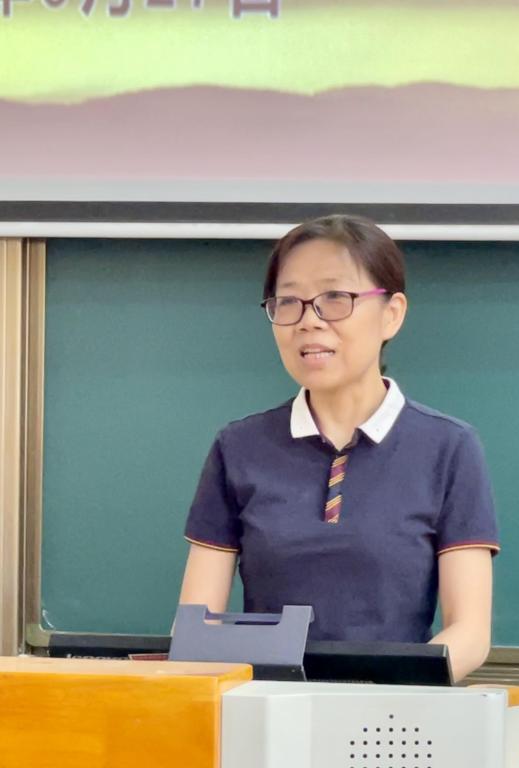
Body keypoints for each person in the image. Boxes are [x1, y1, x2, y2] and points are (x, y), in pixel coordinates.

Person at [179, 214, 499, 682]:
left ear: (391, 314)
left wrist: (377, 701)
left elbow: (470, 631)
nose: (308, 320)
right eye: (289, 301)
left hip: (395, 712)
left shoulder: (449, 447)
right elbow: (195, 628)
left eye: (335, 298)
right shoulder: (238, 447)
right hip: (266, 709)